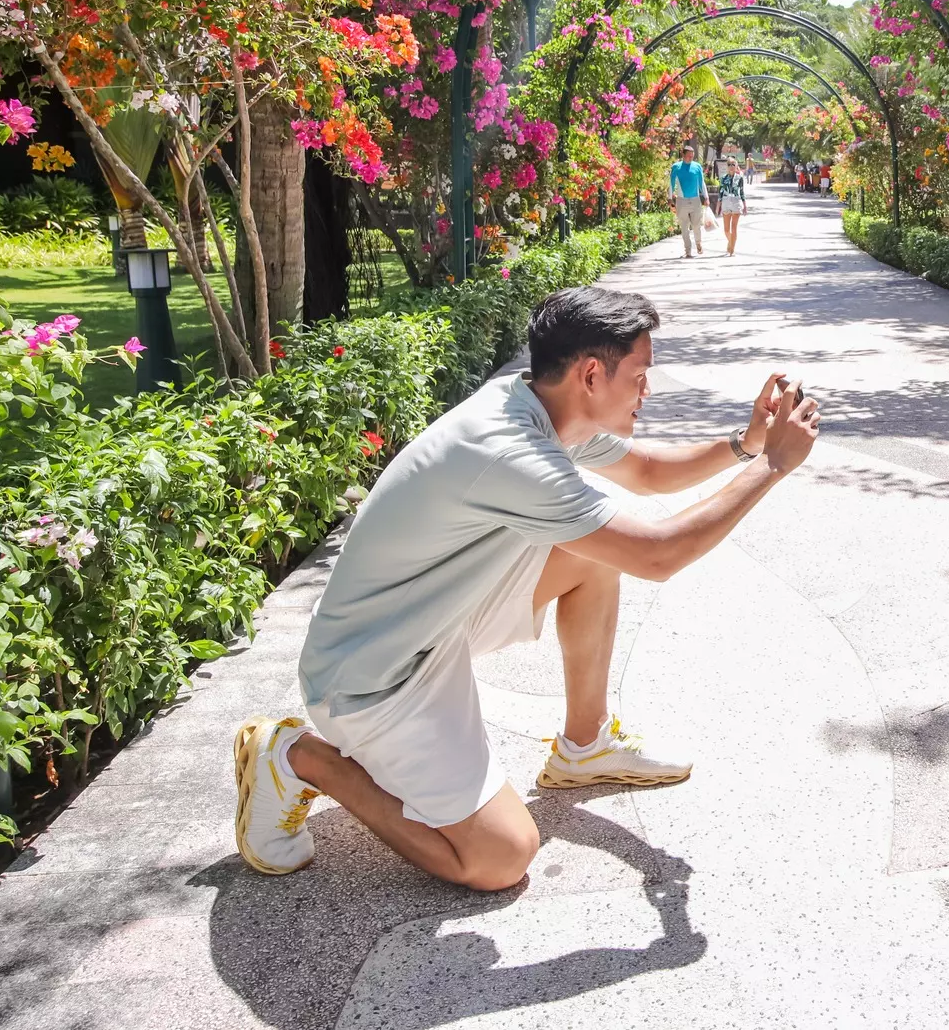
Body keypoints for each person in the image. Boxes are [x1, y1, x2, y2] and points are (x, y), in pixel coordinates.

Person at [233, 287, 823, 889]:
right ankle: (298, 755)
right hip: (372, 676)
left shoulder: (543, 405)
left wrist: (746, 443)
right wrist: (772, 465)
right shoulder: (510, 451)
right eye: (640, 374)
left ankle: (584, 747)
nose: (648, 389)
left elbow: (646, 473)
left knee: (592, 557)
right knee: (499, 858)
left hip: (432, 622)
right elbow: (658, 554)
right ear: (590, 374)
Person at [669, 144, 707, 259]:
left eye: (692, 156)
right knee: (684, 227)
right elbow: (671, 184)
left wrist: (706, 197)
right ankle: (688, 250)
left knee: (696, 225)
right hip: (681, 201)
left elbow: (702, 183)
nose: (691, 158)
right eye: (689, 156)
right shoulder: (676, 167)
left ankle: (698, 243)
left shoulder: (697, 166)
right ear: (683, 155)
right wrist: (670, 198)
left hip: (695, 200)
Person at [715, 158, 748, 256]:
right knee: (726, 230)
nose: (731, 166)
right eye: (729, 164)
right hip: (726, 201)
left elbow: (741, 192)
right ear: (727, 166)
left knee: (734, 228)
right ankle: (731, 242)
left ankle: (732, 250)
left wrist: (745, 205)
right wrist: (718, 206)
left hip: (736, 201)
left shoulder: (739, 178)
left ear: (736, 166)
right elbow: (720, 193)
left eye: (733, 164)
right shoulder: (723, 178)